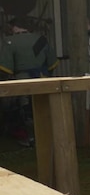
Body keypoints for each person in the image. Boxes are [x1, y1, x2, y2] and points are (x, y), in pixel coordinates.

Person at [0, 17, 58, 146]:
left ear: (14, 27)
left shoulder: (10, 41)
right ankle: (48, 136)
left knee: (25, 109)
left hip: (23, 79)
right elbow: (52, 63)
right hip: (43, 78)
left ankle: (31, 138)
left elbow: (5, 67)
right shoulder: (41, 39)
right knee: (43, 106)